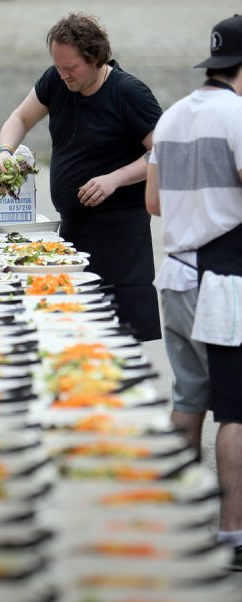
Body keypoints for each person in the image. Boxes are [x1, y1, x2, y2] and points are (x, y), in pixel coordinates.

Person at [0, 12, 162, 341]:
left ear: (95, 58)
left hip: (121, 234)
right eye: (58, 67)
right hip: (74, 226)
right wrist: (4, 152)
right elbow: (20, 118)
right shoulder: (55, 81)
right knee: (76, 327)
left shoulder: (129, 92)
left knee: (122, 334)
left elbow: (165, 151)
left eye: (71, 69)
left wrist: (114, 178)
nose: (63, 75)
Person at [145, 14, 242, 570]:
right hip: (223, 284)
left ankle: (173, 523)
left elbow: (154, 203)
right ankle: (233, 533)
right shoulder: (239, 116)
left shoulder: (173, 115)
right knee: (236, 411)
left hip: (176, 275)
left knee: (188, 400)